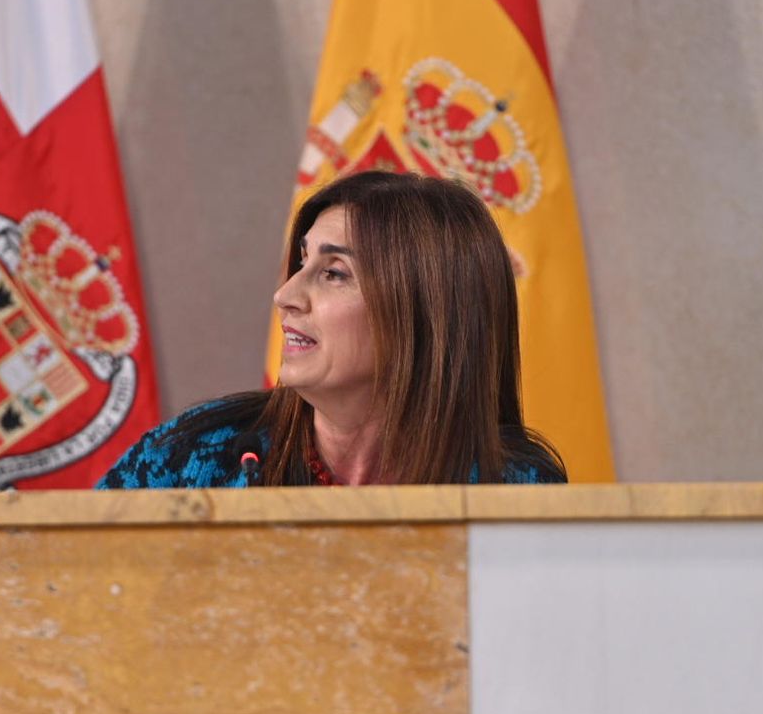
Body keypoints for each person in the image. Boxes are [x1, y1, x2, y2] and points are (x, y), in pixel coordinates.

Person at [99, 171, 566, 488]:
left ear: (424, 311)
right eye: (302, 262)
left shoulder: (515, 489)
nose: (285, 296)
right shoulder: (193, 457)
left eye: (334, 273)